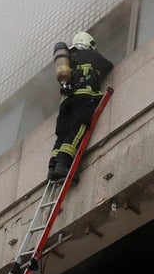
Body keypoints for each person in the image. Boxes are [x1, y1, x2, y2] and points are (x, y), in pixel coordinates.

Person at [48, 31, 114, 182]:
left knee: (62, 134)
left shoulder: (68, 59)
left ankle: (52, 167)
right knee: (78, 129)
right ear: (89, 44)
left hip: (66, 102)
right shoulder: (90, 55)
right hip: (83, 98)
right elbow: (108, 66)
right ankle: (63, 165)